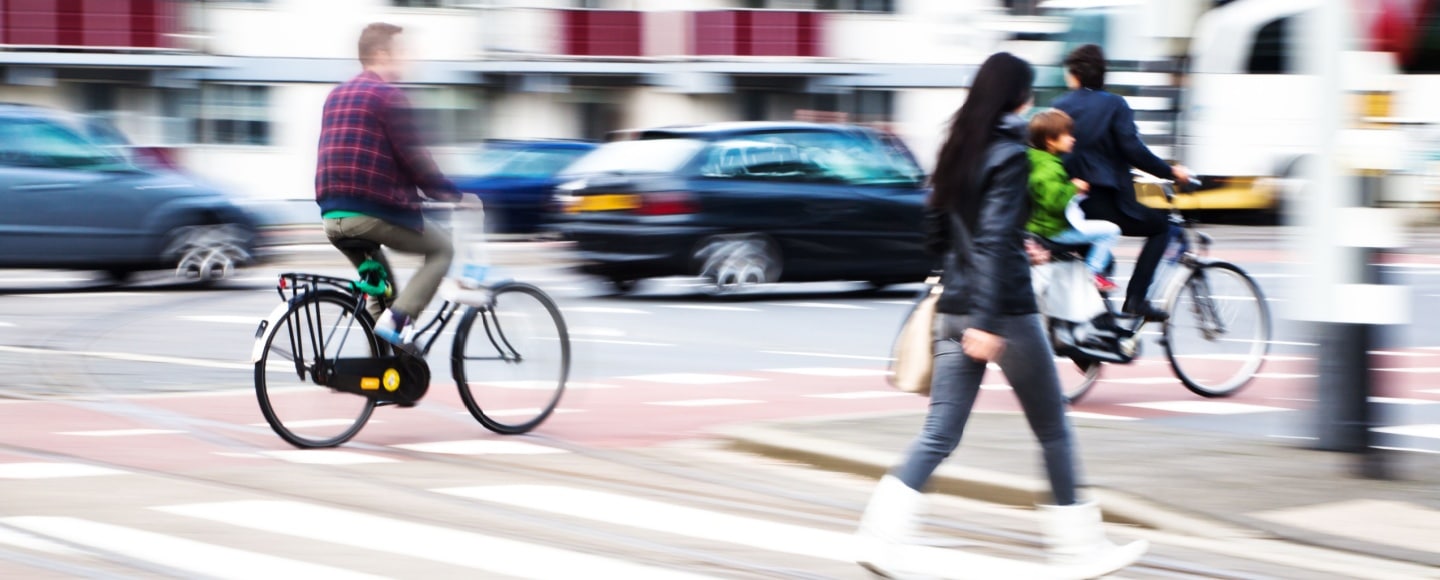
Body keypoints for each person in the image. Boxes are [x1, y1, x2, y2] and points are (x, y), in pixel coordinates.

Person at [854, 52, 1147, 578]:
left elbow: (941, 234)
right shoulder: (1010, 154)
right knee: (1053, 428)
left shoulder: (957, 147)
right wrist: (988, 321)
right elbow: (990, 240)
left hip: (952, 304)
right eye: (1030, 94)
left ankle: (879, 536)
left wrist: (1016, 245)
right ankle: (1079, 550)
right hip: (1003, 311)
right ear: (1018, 98)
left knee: (939, 434)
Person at [316, 22, 462, 344]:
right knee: (443, 248)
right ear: (381, 53)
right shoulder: (388, 96)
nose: (407, 59)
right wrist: (453, 194)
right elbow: (416, 161)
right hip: (370, 214)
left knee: (382, 290)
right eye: (401, 52)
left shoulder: (335, 96)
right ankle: (399, 319)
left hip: (332, 216)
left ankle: (386, 373)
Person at [1052, 44, 1191, 321]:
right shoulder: (1114, 104)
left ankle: (1092, 327)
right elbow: (1133, 150)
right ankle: (1136, 299)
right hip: (1103, 199)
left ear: (1074, 74)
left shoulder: (1059, 107)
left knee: (1104, 260)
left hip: (1068, 202)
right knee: (1161, 226)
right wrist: (1170, 171)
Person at [1025, 109, 1122, 292]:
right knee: (1110, 230)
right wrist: (1073, 188)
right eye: (1067, 135)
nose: (1073, 139)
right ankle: (1091, 275)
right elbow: (1054, 202)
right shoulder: (1048, 167)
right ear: (1050, 140)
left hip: (1040, 225)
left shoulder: (1037, 160)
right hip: (1053, 229)